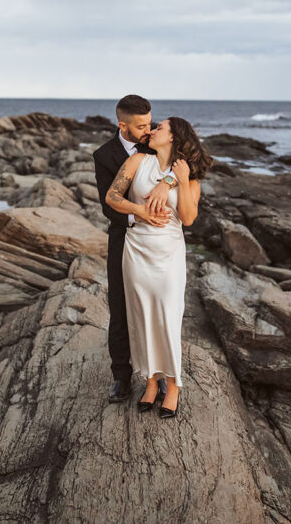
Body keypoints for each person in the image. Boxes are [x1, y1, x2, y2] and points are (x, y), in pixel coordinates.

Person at [105, 116, 213, 418]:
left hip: (168, 252)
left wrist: (175, 181)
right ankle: (151, 382)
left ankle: (174, 385)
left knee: (167, 316)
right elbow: (112, 196)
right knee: (140, 316)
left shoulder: (189, 175)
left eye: (159, 128)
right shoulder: (138, 160)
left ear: (174, 137)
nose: (152, 131)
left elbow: (189, 218)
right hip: (137, 247)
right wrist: (139, 210)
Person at [92, 95, 172, 403]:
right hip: (123, 237)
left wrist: (167, 184)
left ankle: (161, 375)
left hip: (158, 241)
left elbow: (184, 163)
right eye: (140, 126)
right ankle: (121, 377)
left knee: (157, 306)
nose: (147, 130)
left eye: (150, 122)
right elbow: (107, 207)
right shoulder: (104, 156)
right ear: (121, 125)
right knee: (120, 307)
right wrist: (139, 213)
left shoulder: (156, 140)